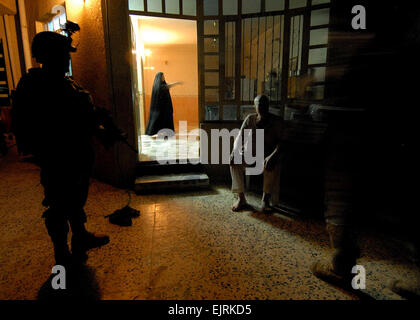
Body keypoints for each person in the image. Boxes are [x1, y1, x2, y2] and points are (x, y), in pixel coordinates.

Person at [12, 31, 109, 265]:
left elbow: (81, 113)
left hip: (78, 152)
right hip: (58, 156)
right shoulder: (35, 85)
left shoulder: (67, 82)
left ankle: (80, 235)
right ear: (50, 55)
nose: (68, 59)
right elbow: (32, 123)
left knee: (76, 198)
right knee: (58, 204)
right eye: (64, 54)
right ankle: (61, 251)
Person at [230, 94, 284, 213]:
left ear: (268, 106)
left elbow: (282, 142)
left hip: (267, 156)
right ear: (255, 107)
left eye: (265, 105)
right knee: (234, 161)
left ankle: (265, 199)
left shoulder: (276, 121)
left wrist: (272, 156)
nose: (262, 108)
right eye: (259, 105)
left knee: (271, 163)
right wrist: (235, 152)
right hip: (251, 154)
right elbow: (239, 138)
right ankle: (241, 198)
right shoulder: (250, 119)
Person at [145, 72, 182, 136]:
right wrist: (177, 83)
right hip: (160, 109)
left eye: (163, 77)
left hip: (163, 108)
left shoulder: (160, 85)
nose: (163, 78)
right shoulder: (159, 87)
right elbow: (167, 86)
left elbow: (167, 86)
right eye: (162, 77)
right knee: (159, 120)